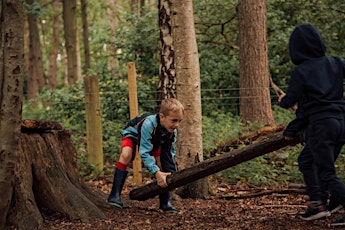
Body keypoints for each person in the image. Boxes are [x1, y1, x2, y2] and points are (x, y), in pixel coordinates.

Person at [278, 23, 345, 224]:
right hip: (341, 123)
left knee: (326, 171)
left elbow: (290, 101)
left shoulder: (302, 71)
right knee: (308, 161)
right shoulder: (336, 62)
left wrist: (282, 99)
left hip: (321, 126)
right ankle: (320, 203)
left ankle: (323, 203)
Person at [107, 98, 184, 213]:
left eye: (179, 121)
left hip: (154, 139)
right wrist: (156, 173)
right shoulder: (149, 124)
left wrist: (170, 171)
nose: (177, 125)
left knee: (161, 163)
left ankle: (165, 202)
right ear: (162, 117)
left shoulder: (172, 131)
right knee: (126, 155)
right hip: (133, 134)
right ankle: (114, 195)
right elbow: (144, 152)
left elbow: (169, 153)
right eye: (174, 120)